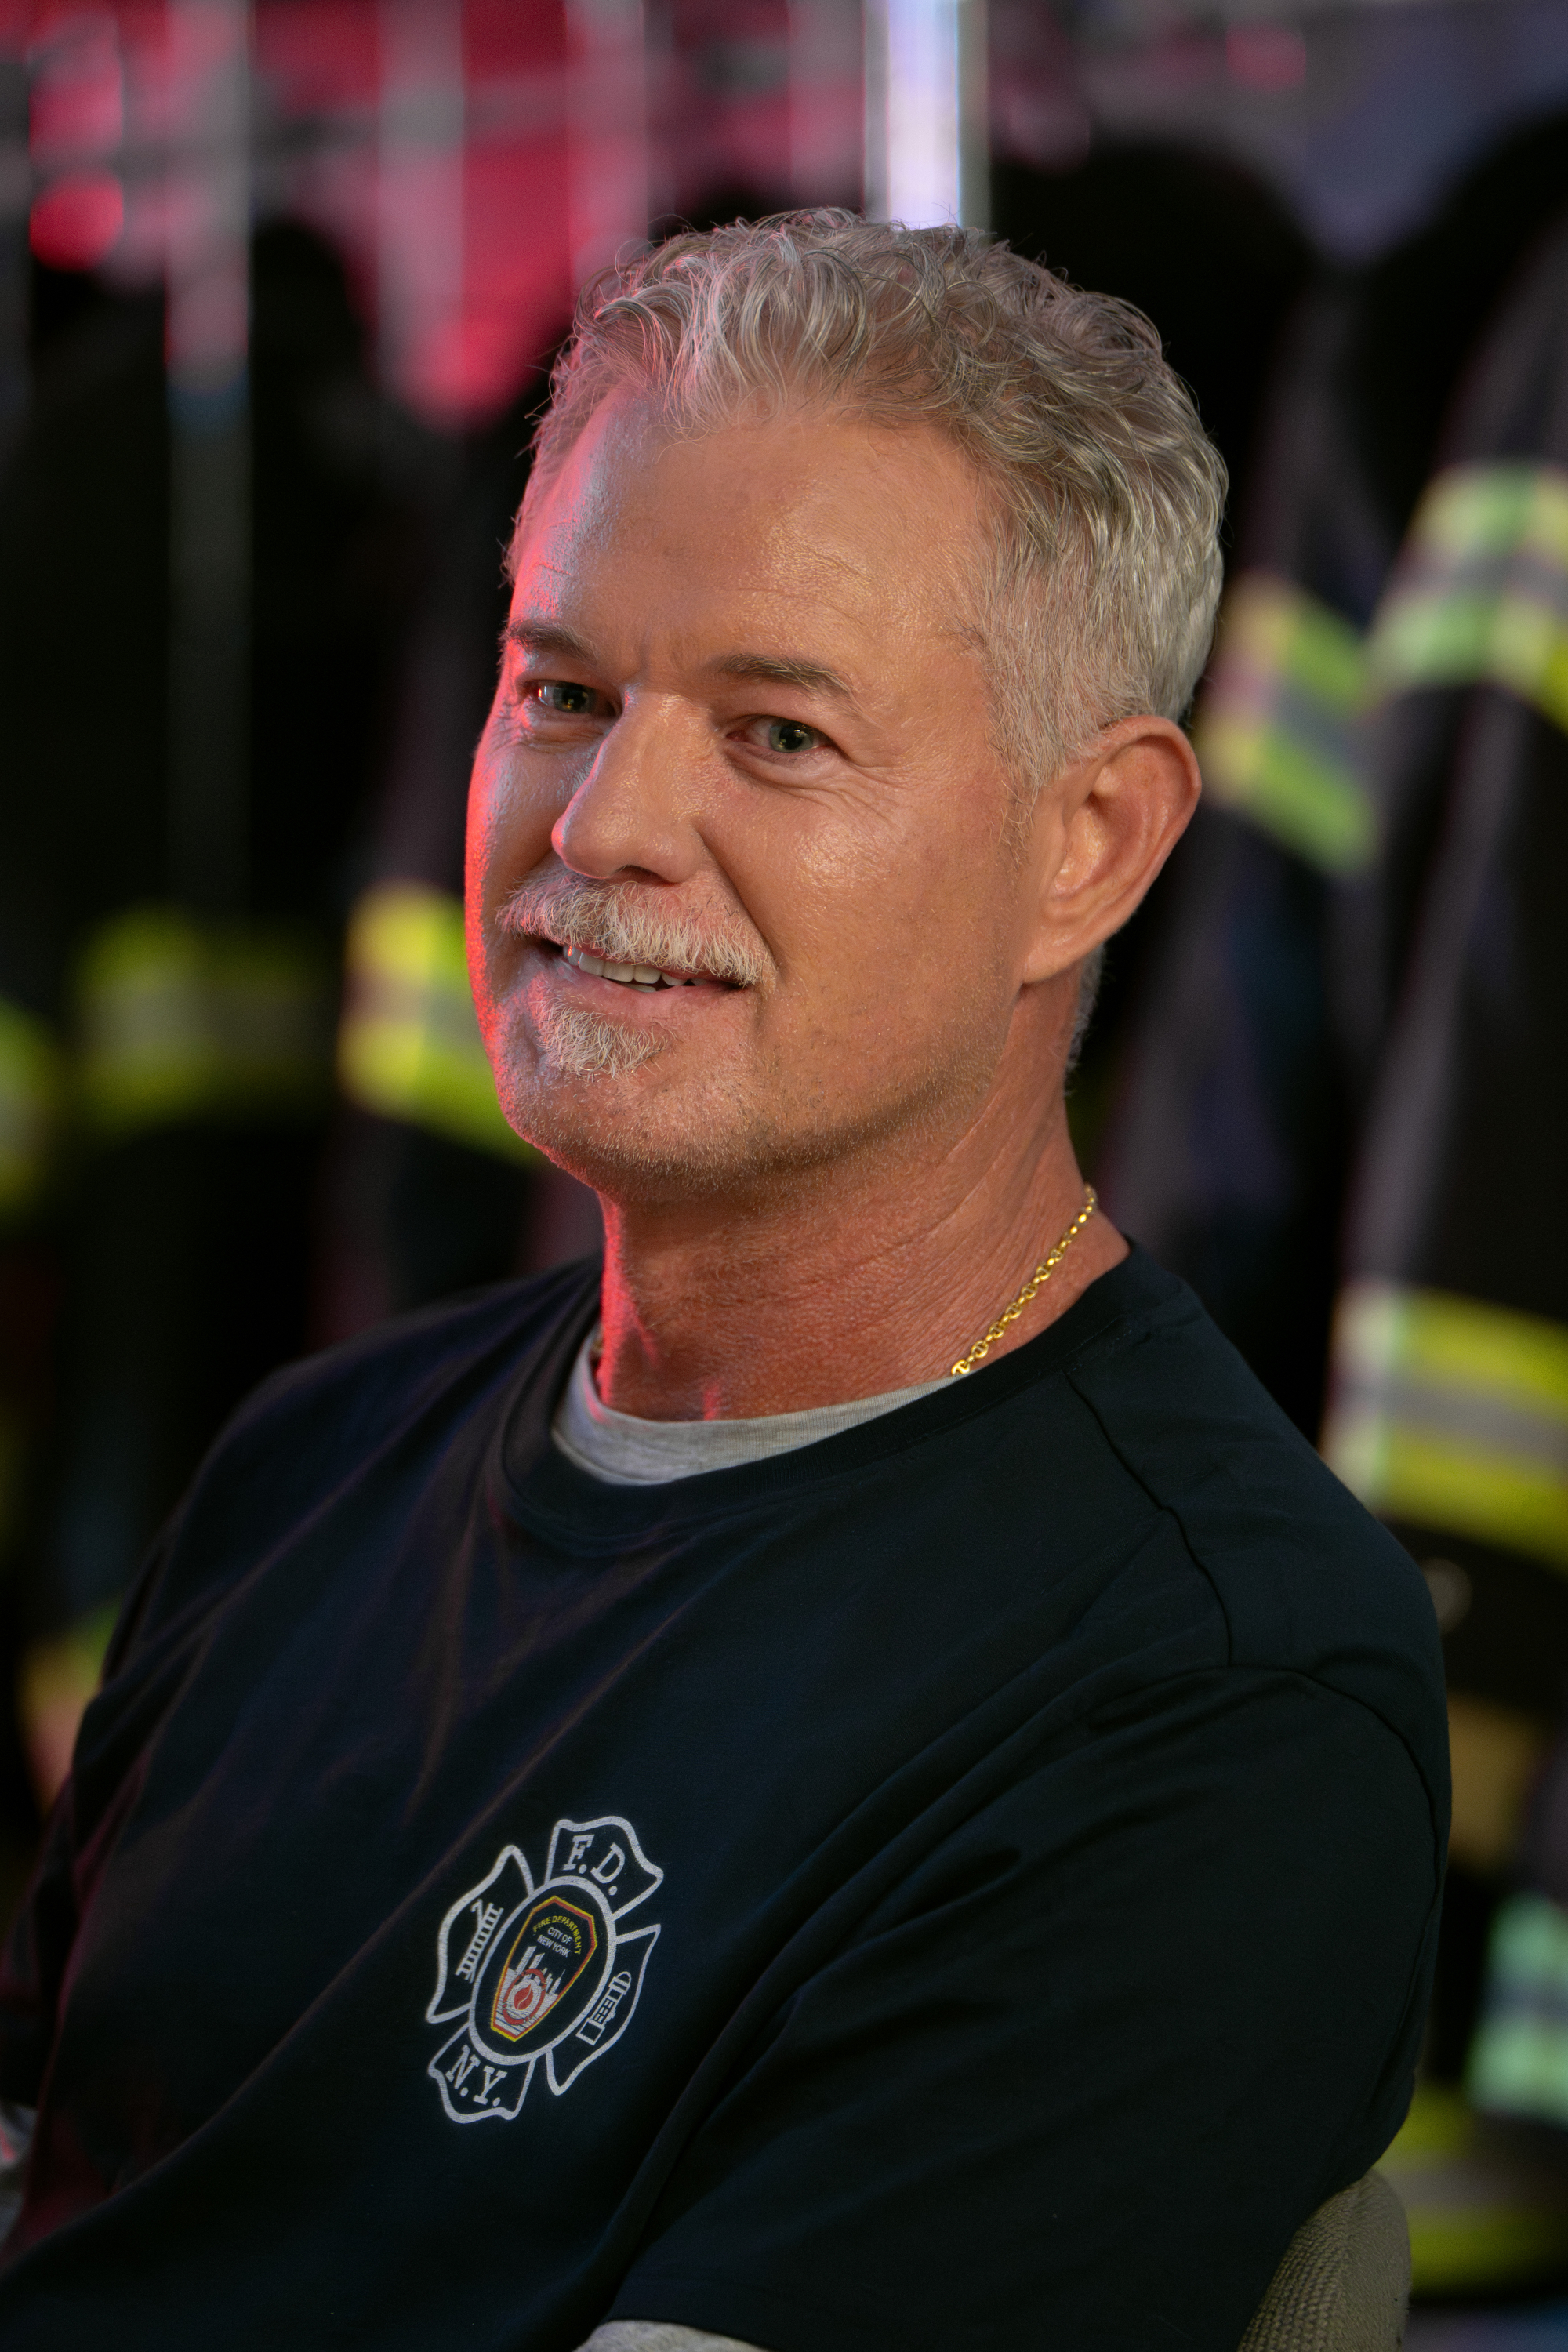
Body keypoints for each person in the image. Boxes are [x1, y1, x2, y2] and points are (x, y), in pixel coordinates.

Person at [0, 215, 1446, 2352]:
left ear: (1095, 846)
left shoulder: (1204, 1694)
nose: (604, 823)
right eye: (562, 691)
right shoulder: (305, 1477)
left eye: (777, 735)